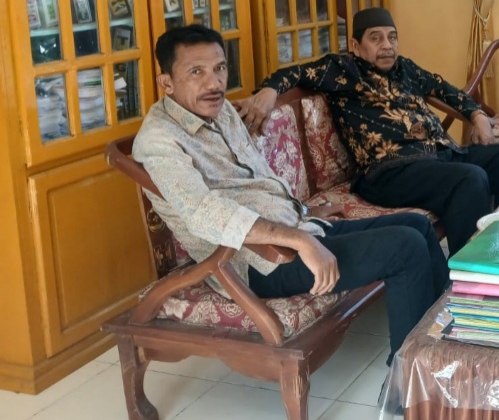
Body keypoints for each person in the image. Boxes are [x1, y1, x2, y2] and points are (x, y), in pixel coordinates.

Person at [133, 24, 449, 361]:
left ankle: (445, 341)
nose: (214, 83)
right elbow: (204, 212)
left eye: (219, 68)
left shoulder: (221, 112)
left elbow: (257, 178)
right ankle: (409, 377)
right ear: (166, 82)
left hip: (295, 228)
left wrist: (304, 214)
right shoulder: (159, 141)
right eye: (196, 72)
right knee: (404, 247)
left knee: (418, 225)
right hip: (256, 262)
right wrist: (301, 241)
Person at [238, 7, 499, 255]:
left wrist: (477, 115)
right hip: (389, 172)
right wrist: (268, 91)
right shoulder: (343, 69)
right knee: (470, 179)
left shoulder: (405, 68)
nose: (387, 45)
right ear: (355, 45)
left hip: (438, 157)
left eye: (392, 37)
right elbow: (295, 73)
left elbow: (444, 88)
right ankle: (469, 279)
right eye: (376, 38)